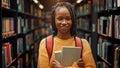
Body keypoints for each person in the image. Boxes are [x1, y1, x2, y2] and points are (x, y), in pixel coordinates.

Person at [37, 2, 96, 68]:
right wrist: (76, 66)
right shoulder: (45, 44)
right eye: (60, 18)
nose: (64, 22)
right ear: (54, 21)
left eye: (68, 19)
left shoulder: (83, 44)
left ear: (73, 20)